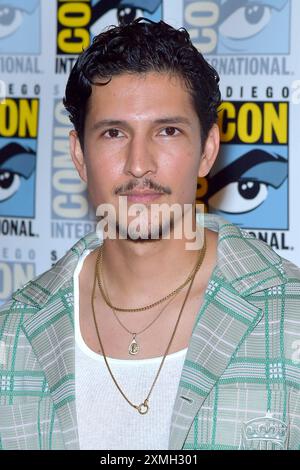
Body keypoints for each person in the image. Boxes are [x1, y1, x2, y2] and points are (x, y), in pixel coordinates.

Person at [0, 18, 300, 451]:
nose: (139, 163)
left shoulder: (289, 318)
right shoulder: (14, 334)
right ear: (79, 156)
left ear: (208, 151)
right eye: (114, 133)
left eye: (167, 131)